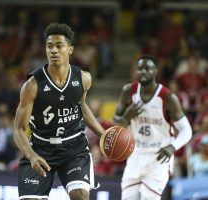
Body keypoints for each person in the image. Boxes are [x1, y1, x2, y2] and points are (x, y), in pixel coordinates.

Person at [13, 22, 105, 200]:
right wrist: (31, 156)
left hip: (73, 148)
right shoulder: (32, 85)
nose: (53, 50)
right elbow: (18, 129)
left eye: (59, 46)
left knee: (80, 195)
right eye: (49, 46)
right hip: (40, 147)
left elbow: (81, 106)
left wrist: (102, 134)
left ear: (70, 49)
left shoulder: (84, 78)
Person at [113, 55, 192, 200]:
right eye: (140, 69)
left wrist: (173, 147)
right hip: (135, 154)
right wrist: (126, 117)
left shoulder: (167, 98)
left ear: (156, 72)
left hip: (159, 156)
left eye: (147, 68)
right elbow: (116, 124)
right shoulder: (128, 91)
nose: (143, 72)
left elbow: (187, 130)